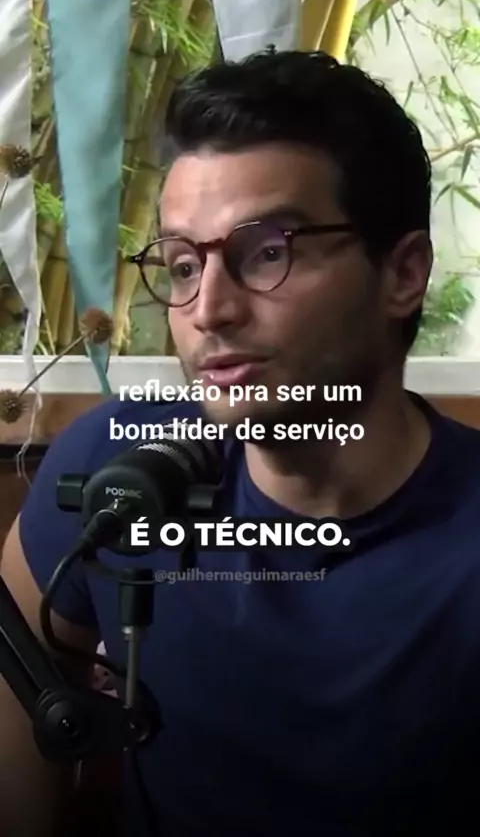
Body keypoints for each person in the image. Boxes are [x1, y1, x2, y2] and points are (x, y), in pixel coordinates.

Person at [1, 48, 480, 837]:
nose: (208, 310)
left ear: (403, 273)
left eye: (267, 253)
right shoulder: (115, 467)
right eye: (182, 265)